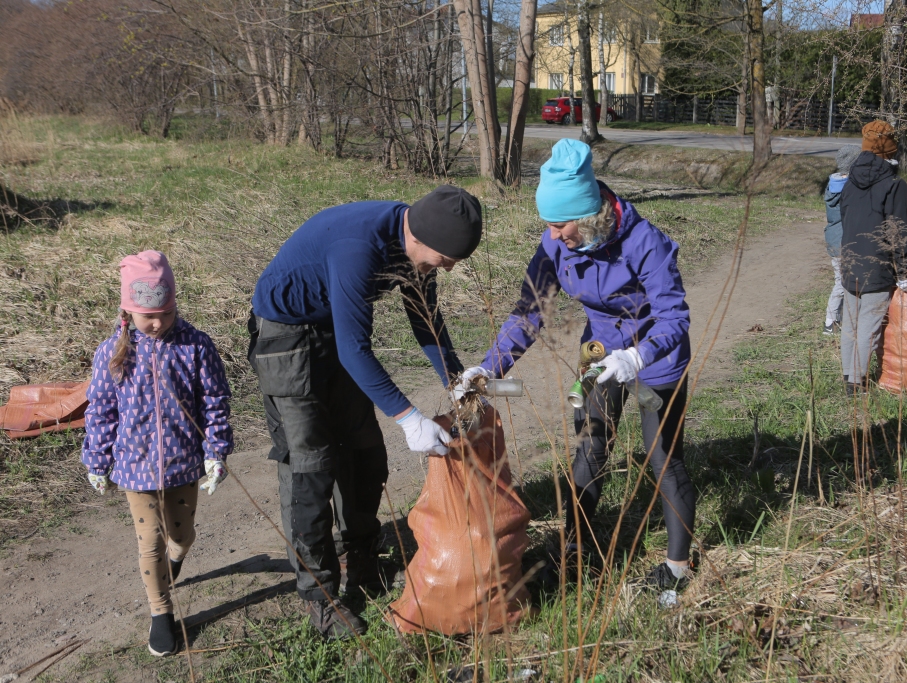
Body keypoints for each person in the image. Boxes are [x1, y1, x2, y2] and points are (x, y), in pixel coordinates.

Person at [459, 139, 695, 592]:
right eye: (547, 224)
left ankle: (677, 568)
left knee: (660, 456)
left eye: (560, 224)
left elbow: (675, 318)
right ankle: (577, 550)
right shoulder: (556, 246)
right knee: (590, 443)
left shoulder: (646, 244)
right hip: (598, 353)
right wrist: (489, 368)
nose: (553, 235)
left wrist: (639, 355)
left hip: (655, 358)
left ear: (589, 215)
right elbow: (530, 312)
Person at [248, 185, 482, 640]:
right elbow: (357, 351)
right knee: (311, 467)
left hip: (333, 329)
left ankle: (361, 560)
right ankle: (320, 596)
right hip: (286, 337)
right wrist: (410, 418)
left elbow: (425, 319)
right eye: (445, 258)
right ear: (419, 236)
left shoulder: (413, 247)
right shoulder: (358, 247)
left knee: (364, 453)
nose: (449, 267)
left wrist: (456, 382)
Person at [82, 251, 233, 657]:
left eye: (165, 314)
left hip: (184, 465)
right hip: (134, 467)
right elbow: (100, 409)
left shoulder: (196, 346)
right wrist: (96, 460)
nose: (157, 323)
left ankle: (176, 559)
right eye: (148, 315)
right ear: (127, 312)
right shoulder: (112, 353)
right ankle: (161, 612)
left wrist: (216, 450)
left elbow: (214, 400)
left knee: (179, 538)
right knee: (150, 540)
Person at [839, 120, 907, 395]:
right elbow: (899, 231)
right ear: (891, 149)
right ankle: (856, 384)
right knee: (869, 329)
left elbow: (845, 221)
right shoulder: (894, 185)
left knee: (850, 324)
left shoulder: (849, 183)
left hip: (848, 264)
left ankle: (848, 376)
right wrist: (906, 272)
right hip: (877, 267)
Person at [822, 145, 860, 336]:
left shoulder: (833, 184)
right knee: (842, 282)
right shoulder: (849, 189)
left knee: (844, 281)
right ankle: (830, 322)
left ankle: (839, 319)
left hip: (833, 238)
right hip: (842, 240)